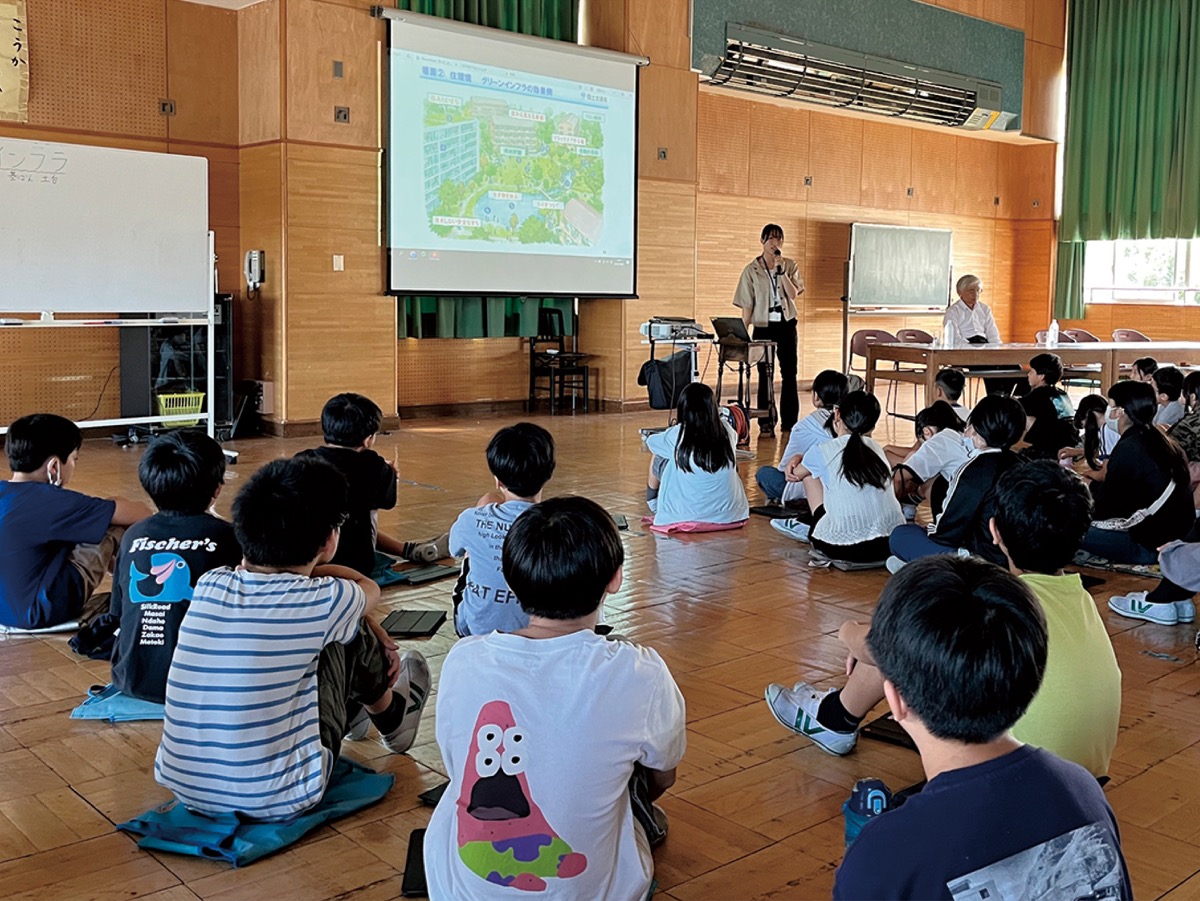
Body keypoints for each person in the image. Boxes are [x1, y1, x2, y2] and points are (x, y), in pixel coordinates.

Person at [766, 461, 1122, 780]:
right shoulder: (1081, 601)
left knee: (910, 633)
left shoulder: (1001, 605)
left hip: (1006, 785)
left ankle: (834, 718)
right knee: (913, 631)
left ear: (995, 531)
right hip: (1082, 784)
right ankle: (836, 717)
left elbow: (886, 646)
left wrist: (847, 632)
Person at [424, 496, 686, 899]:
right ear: (615, 578)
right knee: (636, 757)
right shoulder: (640, 672)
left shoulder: (463, 658)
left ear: (513, 580)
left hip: (458, 892)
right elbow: (664, 774)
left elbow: (456, 762)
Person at [830, 557, 1132, 900]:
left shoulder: (883, 855)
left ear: (896, 701)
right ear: (1033, 681)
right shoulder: (1082, 788)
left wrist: (863, 851)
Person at [155, 457, 430, 820]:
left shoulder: (211, 583)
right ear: (329, 539)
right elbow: (368, 588)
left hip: (187, 786)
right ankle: (392, 717)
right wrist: (359, 613)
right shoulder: (326, 599)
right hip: (282, 793)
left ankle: (356, 712)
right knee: (352, 624)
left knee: (340, 620)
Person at [109, 431, 242, 703]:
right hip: (201, 684)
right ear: (217, 489)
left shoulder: (133, 535)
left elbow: (118, 613)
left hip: (131, 677)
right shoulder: (230, 537)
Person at [0, 413, 152, 630]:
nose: (73, 465)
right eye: (74, 459)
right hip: (41, 611)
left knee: (87, 522)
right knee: (111, 523)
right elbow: (142, 513)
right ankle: (143, 589)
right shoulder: (53, 500)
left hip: (4, 612)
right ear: (54, 466)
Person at [297, 393, 446, 579]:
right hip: (355, 562)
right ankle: (410, 550)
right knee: (361, 514)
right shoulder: (373, 465)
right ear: (368, 439)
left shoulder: (302, 460)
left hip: (302, 557)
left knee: (340, 514)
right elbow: (387, 502)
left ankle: (408, 549)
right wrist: (390, 476)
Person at [887, 395, 1026, 570]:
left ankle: (928, 571)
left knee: (901, 535)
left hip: (982, 561)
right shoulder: (1022, 464)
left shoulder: (974, 470)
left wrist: (929, 529)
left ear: (976, 428)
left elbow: (946, 534)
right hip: (1020, 556)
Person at [770, 391, 903, 563]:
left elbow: (794, 475)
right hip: (889, 544)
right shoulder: (876, 449)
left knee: (810, 474)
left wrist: (797, 457)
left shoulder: (822, 450)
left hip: (843, 548)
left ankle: (815, 527)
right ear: (872, 426)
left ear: (837, 413)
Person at [450, 422, 556, 637]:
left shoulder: (470, 519)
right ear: (549, 473)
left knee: (472, 548)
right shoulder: (558, 525)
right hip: (540, 632)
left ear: (498, 480)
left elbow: (454, 551)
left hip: (475, 630)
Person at [1082, 381, 1193, 565]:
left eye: (1111, 406)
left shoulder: (1129, 448)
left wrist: (1085, 492)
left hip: (1148, 546)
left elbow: (1106, 508)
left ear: (1121, 412)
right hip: (1177, 539)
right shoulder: (1161, 441)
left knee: (1061, 529)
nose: (1109, 413)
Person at [732, 223, 805, 436]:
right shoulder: (751, 270)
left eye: (779, 239)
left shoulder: (789, 265)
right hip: (763, 326)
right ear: (762, 241)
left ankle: (790, 421)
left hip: (786, 324)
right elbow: (747, 305)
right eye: (771, 238)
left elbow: (793, 294)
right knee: (764, 374)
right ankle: (766, 421)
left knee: (789, 372)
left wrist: (782, 273)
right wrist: (743, 333)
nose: (775, 243)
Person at [645, 383, 748, 529]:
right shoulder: (727, 431)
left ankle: (652, 501)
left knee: (659, 454)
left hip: (681, 515)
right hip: (731, 516)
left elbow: (651, 442)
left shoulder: (678, 433)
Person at [755, 370, 847, 506]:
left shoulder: (804, 425)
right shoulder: (848, 423)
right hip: (837, 488)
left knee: (764, 474)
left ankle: (795, 500)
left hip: (805, 484)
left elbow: (786, 468)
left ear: (816, 396)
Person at [884, 401, 968, 520]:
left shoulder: (939, 440)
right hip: (972, 505)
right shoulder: (960, 434)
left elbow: (899, 478)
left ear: (927, 432)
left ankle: (906, 505)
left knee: (925, 475)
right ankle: (909, 503)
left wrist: (888, 510)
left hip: (955, 512)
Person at [941, 275, 1022, 396]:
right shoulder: (953, 311)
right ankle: (994, 398)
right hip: (966, 349)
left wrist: (998, 351)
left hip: (985, 346)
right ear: (960, 292)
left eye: (978, 290)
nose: (976, 294)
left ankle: (1008, 397)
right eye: (971, 291)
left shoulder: (985, 309)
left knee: (1014, 367)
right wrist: (974, 349)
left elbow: (993, 334)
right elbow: (954, 338)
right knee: (991, 367)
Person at [1020, 352, 1078, 459]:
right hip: (1072, 445)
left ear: (1041, 376)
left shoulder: (1035, 397)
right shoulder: (1062, 394)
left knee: (1019, 414)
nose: (1028, 374)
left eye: (1031, 371)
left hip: (1051, 448)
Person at [1058, 394, 1116, 475]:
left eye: (1086, 427)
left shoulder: (1106, 430)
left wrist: (1084, 474)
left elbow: (1105, 474)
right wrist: (1077, 451)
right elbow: (1107, 451)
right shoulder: (1111, 426)